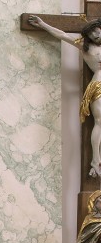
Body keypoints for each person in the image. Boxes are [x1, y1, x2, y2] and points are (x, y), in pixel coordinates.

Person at [28, 15, 101, 178]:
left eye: (97, 31)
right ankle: (96, 161)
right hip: (99, 85)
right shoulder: (84, 46)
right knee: (99, 121)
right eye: (91, 34)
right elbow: (62, 35)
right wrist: (43, 25)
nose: (95, 35)